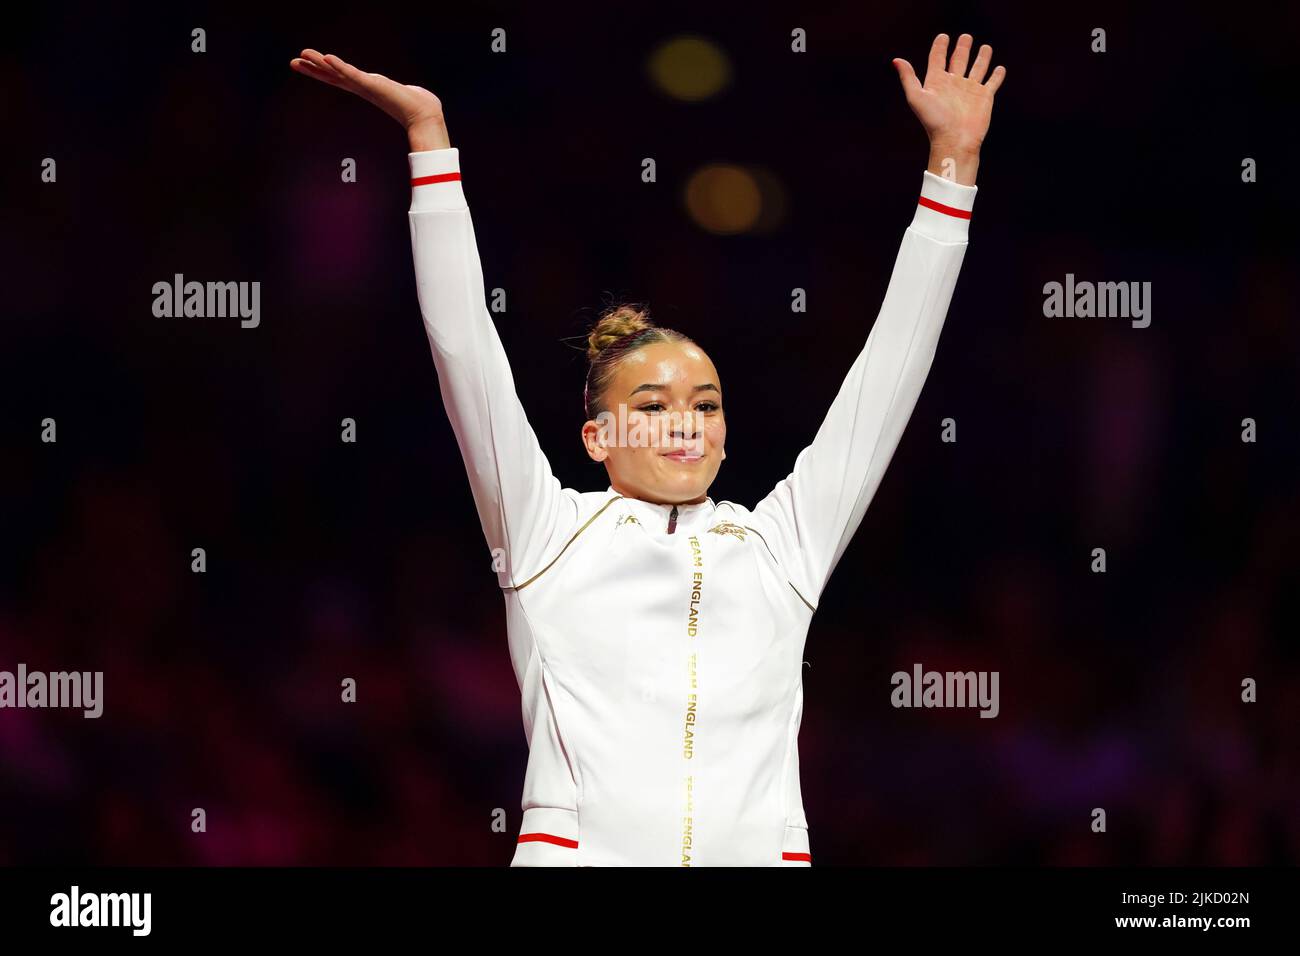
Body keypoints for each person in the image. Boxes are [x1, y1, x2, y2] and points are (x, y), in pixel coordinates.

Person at [290, 33, 1005, 865]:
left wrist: (952, 163)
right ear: (596, 436)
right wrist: (430, 141)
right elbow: (464, 350)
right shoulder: (544, 533)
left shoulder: (782, 547)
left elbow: (891, 372)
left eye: (705, 404)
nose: (685, 423)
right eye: (654, 404)